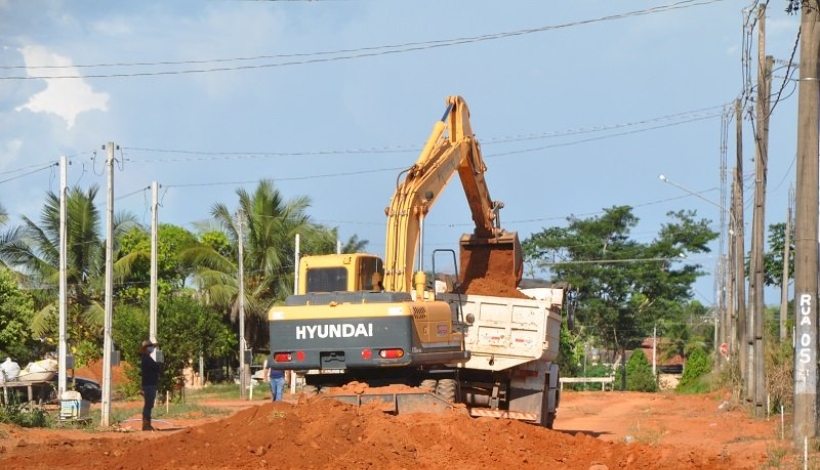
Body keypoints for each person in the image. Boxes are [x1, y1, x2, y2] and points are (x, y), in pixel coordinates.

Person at [138, 340, 162, 431]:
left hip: (149, 384)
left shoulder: (146, 357)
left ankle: (147, 424)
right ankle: (146, 424)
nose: (152, 348)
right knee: (148, 404)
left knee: (149, 404)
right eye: (150, 346)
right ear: (146, 348)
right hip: (149, 384)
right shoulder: (146, 358)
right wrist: (159, 364)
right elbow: (156, 367)